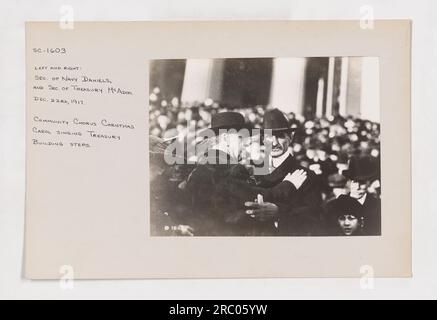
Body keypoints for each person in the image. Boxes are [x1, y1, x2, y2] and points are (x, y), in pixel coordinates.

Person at [185, 111, 307, 236]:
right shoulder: (229, 168)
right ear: (226, 138)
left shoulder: (201, 167)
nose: (245, 145)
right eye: (241, 138)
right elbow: (254, 199)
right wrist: (289, 184)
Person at [244, 108, 323, 236]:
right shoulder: (252, 171)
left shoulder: (306, 176)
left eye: (280, 136)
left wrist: (279, 212)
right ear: (264, 140)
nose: (274, 143)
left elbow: (314, 216)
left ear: (290, 138)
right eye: (270, 137)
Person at [342, 156, 381, 235]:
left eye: (362, 182)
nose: (357, 187)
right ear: (348, 182)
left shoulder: (377, 206)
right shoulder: (338, 205)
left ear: (369, 183)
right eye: (354, 181)